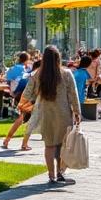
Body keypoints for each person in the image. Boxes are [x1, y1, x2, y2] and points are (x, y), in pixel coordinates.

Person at [28, 45, 81, 185]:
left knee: (49, 145)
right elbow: (73, 95)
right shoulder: (66, 73)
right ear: (58, 58)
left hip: (46, 113)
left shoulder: (38, 74)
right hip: (63, 113)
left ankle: (51, 176)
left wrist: (27, 104)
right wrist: (77, 112)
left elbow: (28, 93)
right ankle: (60, 172)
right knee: (62, 145)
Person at [1, 53, 33, 151]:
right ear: (26, 60)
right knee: (28, 119)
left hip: (18, 94)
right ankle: (24, 144)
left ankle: (7, 139)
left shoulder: (14, 68)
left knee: (21, 118)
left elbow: (6, 79)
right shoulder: (27, 69)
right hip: (28, 96)